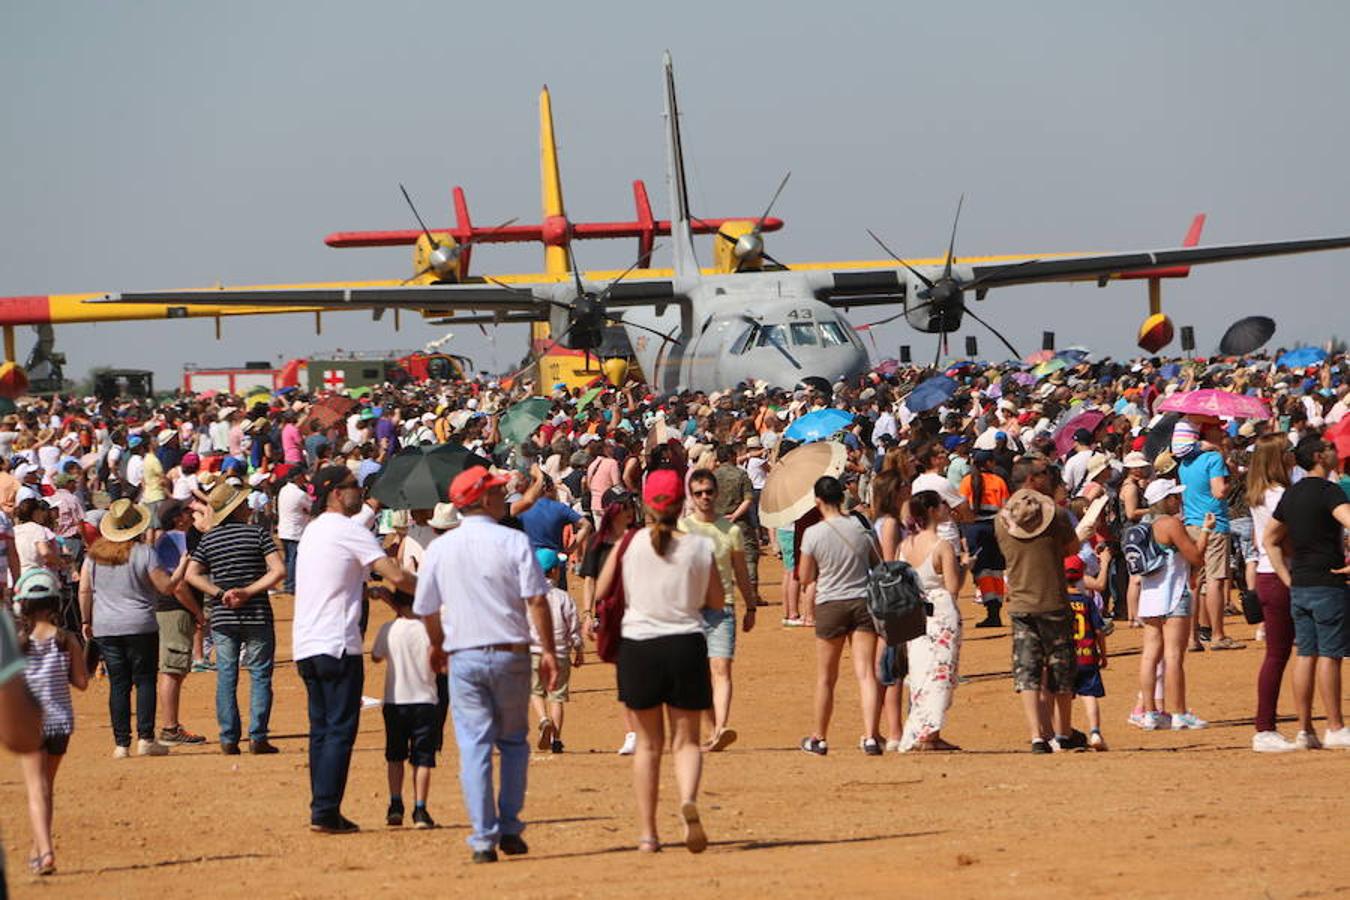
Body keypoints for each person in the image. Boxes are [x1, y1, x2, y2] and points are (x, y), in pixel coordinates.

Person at [414, 465, 558, 863]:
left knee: (474, 746)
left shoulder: (441, 548)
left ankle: (483, 838)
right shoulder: (512, 541)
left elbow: (425, 607)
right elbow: (537, 600)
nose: (502, 497)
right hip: (510, 653)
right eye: (496, 492)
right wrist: (547, 649)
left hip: (465, 655)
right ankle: (509, 828)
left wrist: (437, 643)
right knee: (512, 744)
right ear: (481, 499)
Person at [595, 468, 719, 854]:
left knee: (648, 746)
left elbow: (601, 589)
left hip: (639, 646)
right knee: (687, 742)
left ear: (647, 504)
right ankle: (688, 801)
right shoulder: (698, 546)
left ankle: (649, 833)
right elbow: (715, 601)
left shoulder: (629, 542)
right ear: (682, 503)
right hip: (685, 643)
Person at [294, 465, 416, 833]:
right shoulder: (347, 530)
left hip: (307, 643)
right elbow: (395, 575)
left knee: (321, 729)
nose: (359, 493)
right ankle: (326, 810)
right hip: (336, 643)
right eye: (353, 487)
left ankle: (322, 806)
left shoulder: (314, 531)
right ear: (335, 493)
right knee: (340, 730)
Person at [186, 481, 286, 755]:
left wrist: (220, 594)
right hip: (256, 613)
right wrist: (249, 591)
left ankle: (229, 737)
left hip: (223, 615)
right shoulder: (258, 534)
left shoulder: (210, 539)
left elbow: (191, 575)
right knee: (260, 674)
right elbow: (278, 571)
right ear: (239, 508)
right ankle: (258, 736)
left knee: (226, 676)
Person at [1264, 437, 1350, 749]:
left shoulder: (1292, 493)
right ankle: (1336, 726)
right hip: (1328, 581)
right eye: (1329, 448)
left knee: (1305, 655)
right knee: (1330, 655)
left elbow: (1269, 539)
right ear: (1318, 456)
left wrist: (1286, 576)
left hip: (1300, 582)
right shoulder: (1330, 491)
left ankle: (1305, 730)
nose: (1334, 451)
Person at [79, 498, 179, 757]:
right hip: (140, 624)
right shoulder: (144, 552)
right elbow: (166, 587)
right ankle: (146, 738)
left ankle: (121, 743)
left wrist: (86, 620)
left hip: (105, 626)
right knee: (144, 681)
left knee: (118, 684)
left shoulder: (94, 555)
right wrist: (184, 567)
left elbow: (84, 590)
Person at [995, 461, 1082, 754]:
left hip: (1020, 601)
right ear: (1032, 479)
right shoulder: (1055, 515)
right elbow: (1073, 549)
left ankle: (1037, 736)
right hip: (1053, 599)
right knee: (1061, 669)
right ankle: (1064, 731)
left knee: (1027, 671)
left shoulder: (1001, 519)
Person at [798, 475, 882, 756]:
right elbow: (877, 563)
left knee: (826, 677)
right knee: (866, 673)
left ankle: (819, 737)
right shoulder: (861, 529)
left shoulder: (813, 533)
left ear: (818, 501)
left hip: (830, 604)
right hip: (862, 601)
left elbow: (805, 577)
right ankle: (871, 736)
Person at [679, 468, 758, 752]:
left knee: (721, 667)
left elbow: (740, 571)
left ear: (717, 494)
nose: (704, 498)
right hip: (690, 610)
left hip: (722, 606)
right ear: (692, 495)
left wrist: (750, 606)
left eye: (709, 492)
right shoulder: (683, 529)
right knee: (697, 673)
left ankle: (721, 727)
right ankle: (712, 730)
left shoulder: (731, 530)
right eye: (699, 493)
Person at [15, 568, 87, 877]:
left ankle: (45, 852)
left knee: (36, 789)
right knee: (47, 788)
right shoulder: (66, 639)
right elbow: (82, 683)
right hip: (61, 724)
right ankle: (37, 848)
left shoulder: (18, 642)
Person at [1134, 479, 1212, 731]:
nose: (1178, 501)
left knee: (1150, 655)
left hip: (1150, 596)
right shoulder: (1171, 524)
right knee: (1173, 656)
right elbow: (1196, 557)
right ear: (1164, 501)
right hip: (1174, 594)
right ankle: (1179, 713)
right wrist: (1207, 531)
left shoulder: (1143, 526)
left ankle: (1150, 712)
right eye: (1174, 497)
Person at [896, 491, 962, 752]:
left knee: (921, 670)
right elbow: (954, 586)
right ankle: (929, 732)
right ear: (933, 511)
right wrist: (964, 565)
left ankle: (922, 730)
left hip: (916, 610)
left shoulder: (906, 545)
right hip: (941, 609)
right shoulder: (941, 545)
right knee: (941, 671)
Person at [579, 486, 642, 755]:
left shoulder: (641, 538)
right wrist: (587, 613)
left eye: (631, 507)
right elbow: (590, 580)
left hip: (643, 612)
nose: (629, 512)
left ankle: (646, 728)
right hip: (613, 615)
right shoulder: (598, 542)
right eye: (624, 507)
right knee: (625, 675)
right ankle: (632, 732)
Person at [1245, 435, 1298, 752]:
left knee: (1279, 654)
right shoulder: (1278, 495)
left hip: (1269, 573)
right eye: (1288, 452)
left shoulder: (1261, 493)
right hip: (1281, 573)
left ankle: (1268, 726)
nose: (1292, 456)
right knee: (1279, 655)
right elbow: (1282, 540)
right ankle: (1265, 727)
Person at [371, 590, 438, 829]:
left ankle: (395, 804)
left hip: (394, 700)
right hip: (425, 700)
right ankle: (420, 809)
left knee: (395, 756)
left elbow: (376, 657)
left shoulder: (388, 629)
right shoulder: (429, 630)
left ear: (396, 604)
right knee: (423, 759)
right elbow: (438, 661)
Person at [1176, 420, 1244, 650]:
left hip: (1192, 524)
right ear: (1206, 433)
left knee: (1195, 581)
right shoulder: (1214, 458)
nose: (1223, 430)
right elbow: (1218, 491)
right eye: (1217, 428)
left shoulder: (1185, 461)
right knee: (1215, 580)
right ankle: (1217, 635)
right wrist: (1230, 478)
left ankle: (1192, 638)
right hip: (1214, 522)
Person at [152, 499, 207, 744]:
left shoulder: (167, 538)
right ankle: (170, 728)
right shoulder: (177, 539)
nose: (190, 512)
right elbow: (179, 585)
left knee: (173, 669)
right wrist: (197, 611)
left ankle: (170, 726)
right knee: (173, 670)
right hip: (176, 608)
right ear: (178, 518)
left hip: (170, 610)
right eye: (186, 510)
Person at [529, 548, 583, 754]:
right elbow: (573, 625)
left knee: (535, 691)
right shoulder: (563, 597)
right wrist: (578, 648)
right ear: (553, 572)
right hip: (560, 652)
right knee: (557, 697)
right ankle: (556, 740)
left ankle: (543, 719)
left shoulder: (529, 597)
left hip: (534, 650)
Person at [960, 449, 1010, 627]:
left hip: (975, 529)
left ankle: (991, 609)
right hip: (996, 528)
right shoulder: (999, 481)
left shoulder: (967, 481)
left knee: (981, 569)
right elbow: (1005, 508)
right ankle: (996, 609)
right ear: (988, 463)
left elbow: (963, 507)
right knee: (997, 568)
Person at [1064, 555, 1109, 750]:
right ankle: (1095, 732)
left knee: (1063, 695)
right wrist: (1103, 654)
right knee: (1089, 695)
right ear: (1082, 576)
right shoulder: (1087, 602)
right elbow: (1099, 630)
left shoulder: (1059, 602)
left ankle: (1062, 731)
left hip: (1066, 657)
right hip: (1087, 655)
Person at [276, 466, 311, 595]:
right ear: (297, 477)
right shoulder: (299, 493)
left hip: (284, 529)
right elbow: (310, 508)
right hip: (295, 531)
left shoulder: (283, 490)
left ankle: (288, 583)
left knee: (288, 559)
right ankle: (290, 585)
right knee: (293, 559)